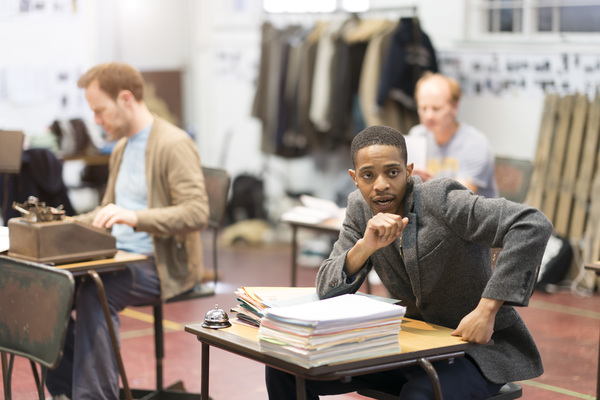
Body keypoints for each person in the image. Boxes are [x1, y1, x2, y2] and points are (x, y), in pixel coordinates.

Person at [265, 125, 552, 399]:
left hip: (477, 350)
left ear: (409, 171)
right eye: (368, 176)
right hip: (409, 346)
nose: (381, 185)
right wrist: (365, 246)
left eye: (392, 172)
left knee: (422, 392)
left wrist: (487, 310)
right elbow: (326, 288)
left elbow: (531, 223)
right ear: (354, 178)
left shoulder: (441, 200)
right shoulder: (359, 209)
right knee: (285, 369)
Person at [46, 62, 210, 400]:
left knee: (96, 289)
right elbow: (107, 211)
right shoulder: (121, 148)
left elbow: (196, 213)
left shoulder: (173, 143)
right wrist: (59, 223)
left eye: (99, 110)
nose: (96, 120)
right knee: (50, 288)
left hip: (159, 263)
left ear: (125, 99)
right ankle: (66, 392)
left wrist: (134, 217)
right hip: (120, 256)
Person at [408, 72, 499, 198]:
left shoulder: (476, 144)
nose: (429, 116)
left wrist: (425, 183)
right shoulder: (416, 135)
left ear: (454, 107)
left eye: (436, 109)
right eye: (423, 108)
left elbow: (461, 198)